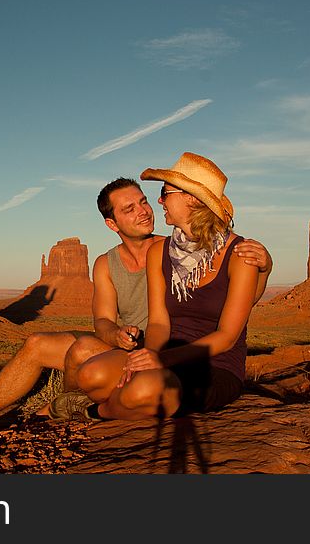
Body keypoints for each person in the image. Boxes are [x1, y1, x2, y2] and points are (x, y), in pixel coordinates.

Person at [0, 175, 271, 434]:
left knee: (127, 382)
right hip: (155, 351)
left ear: (191, 198)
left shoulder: (234, 252)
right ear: (112, 224)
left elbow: (232, 322)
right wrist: (134, 347)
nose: (151, 206)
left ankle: (84, 411)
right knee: (74, 363)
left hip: (207, 363)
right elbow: (145, 321)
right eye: (130, 208)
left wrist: (264, 268)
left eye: (156, 196)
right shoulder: (138, 257)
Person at [70, 152, 257, 420]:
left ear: (191, 199)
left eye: (164, 192)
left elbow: (227, 337)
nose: (159, 201)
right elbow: (158, 322)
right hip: (166, 356)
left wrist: (162, 362)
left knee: (141, 391)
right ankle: (127, 399)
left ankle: (98, 412)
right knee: (90, 374)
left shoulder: (240, 254)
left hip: (213, 366)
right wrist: (150, 356)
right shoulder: (159, 252)